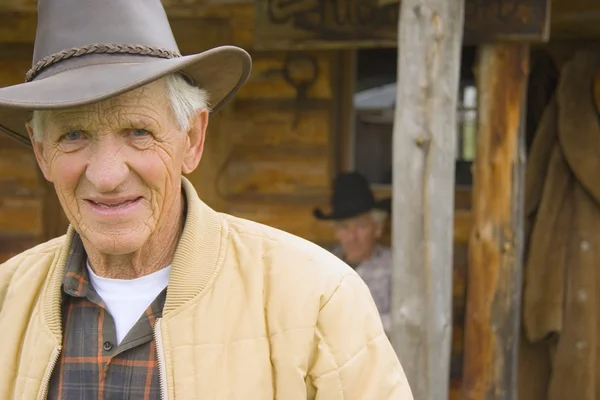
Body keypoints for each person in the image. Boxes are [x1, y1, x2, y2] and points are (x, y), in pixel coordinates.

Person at [0, 0, 413, 398]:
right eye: (73, 135)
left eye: (138, 132)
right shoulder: (6, 300)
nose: (107, 176)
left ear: (193, 139)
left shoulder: (318, 297)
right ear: (42, 153)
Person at [314, 172, 394, 332]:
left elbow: (404, 320)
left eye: (361, 226)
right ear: (335, 232)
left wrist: (354, 325)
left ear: (377, 229)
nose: (352, 236)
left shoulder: (395, 267)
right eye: (344, 227)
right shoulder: (321, 267)